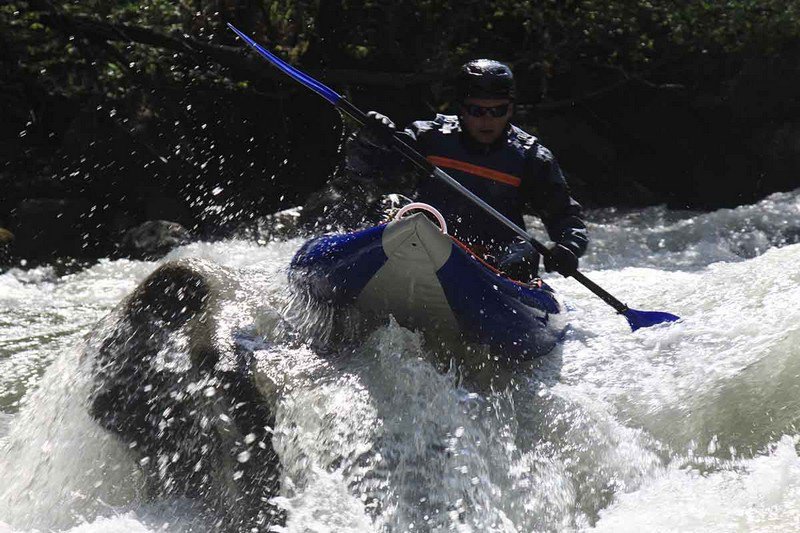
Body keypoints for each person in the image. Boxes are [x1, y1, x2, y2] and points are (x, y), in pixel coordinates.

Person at [346, 59, 588, 281]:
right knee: (390, 204)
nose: (487, 120)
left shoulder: (531, 158)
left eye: (498, 111)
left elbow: (565, 216)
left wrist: (569, 247)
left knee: (525, 253)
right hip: (427, 241)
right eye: (477, 111)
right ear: (461, 108)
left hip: (494, 261)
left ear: (511, 110)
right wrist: (368, 140)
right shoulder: (428, 137)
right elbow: (365, 170)